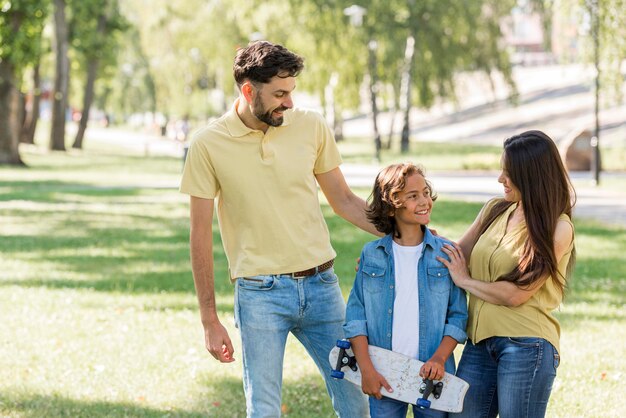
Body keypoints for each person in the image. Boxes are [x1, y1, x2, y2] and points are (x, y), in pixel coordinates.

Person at [179, 41, 375, 417]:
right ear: (248, 90)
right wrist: (209, 318)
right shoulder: (208, 144)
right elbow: (199, 235)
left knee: (355, 400)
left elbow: (345, 201)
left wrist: (407, 235)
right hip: (259, 295)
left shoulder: (311, 126)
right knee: (264, 409)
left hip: (322, 286)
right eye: (279, 94)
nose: (288, 103)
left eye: (291, 93)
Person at [439, 130, 576, 418]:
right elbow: (453, 254)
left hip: (527, 345)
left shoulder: (558, 228)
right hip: (479, 343)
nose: (501, 178)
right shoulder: (495, 209)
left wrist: (464, 281)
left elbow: (516, 294)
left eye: (508, 172)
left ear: (531, 175)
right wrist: (389, 258)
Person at [344, 163, 468, 418]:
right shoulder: (372, 254)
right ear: (391, 206)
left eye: (425, 192)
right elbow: (356, 317)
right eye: (413, 196)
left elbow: (458, 316)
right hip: (384, 372)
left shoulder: (445, 254)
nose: (424, 201)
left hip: (432, 376)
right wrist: (367, 369)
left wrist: (439, 359)